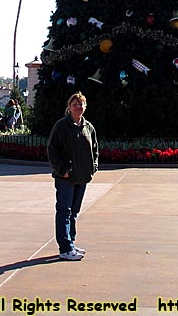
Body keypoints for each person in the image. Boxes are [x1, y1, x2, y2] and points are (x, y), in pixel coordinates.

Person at [47, 92, 98, 261]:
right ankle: (65, 248)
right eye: (75, 104)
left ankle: (71, 242)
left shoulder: (88, 127)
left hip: (82, 176)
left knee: (74, 212)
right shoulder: (61, 126)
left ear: (85, 107)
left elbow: (95, 150)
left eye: (81, 104)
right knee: (64, 211)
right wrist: (62, 170)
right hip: (66, 177)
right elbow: (52, 150)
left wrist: (93, 167)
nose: (78, 107)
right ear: (69, 107)